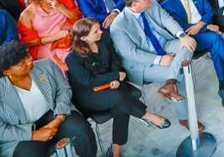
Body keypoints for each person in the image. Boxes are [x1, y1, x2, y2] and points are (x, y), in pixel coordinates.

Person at [66, 17, 169, 157]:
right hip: (89, 94)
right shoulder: (72, 59)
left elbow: (115, 59)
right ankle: (148, 115)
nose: (101, 32)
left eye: (99, 28)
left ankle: (116, 152)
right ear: (84, 38)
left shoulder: (104, 39)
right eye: (95, 32)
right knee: (120, 98)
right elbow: (88, 81)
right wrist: (113, 76)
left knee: (121, 105)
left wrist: (115, 78)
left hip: (112, 83)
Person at [0, 41, 96, 157]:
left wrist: (59, 118)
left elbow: (64, 89)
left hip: (54, 112)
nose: (29, 61)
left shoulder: (46, 65)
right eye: (21, 63)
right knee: (29, 154)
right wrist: (34, 135)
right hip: (21, 131)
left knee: (82, 131)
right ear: (7, 72)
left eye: (27, 56)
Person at [17, 0, 80, 73]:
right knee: (67, 58)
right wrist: (55, 37)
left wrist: (60, 7)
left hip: (71, 34)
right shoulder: (27, 13)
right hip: (46, 44)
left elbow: (77, 17)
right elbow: (28, 42)